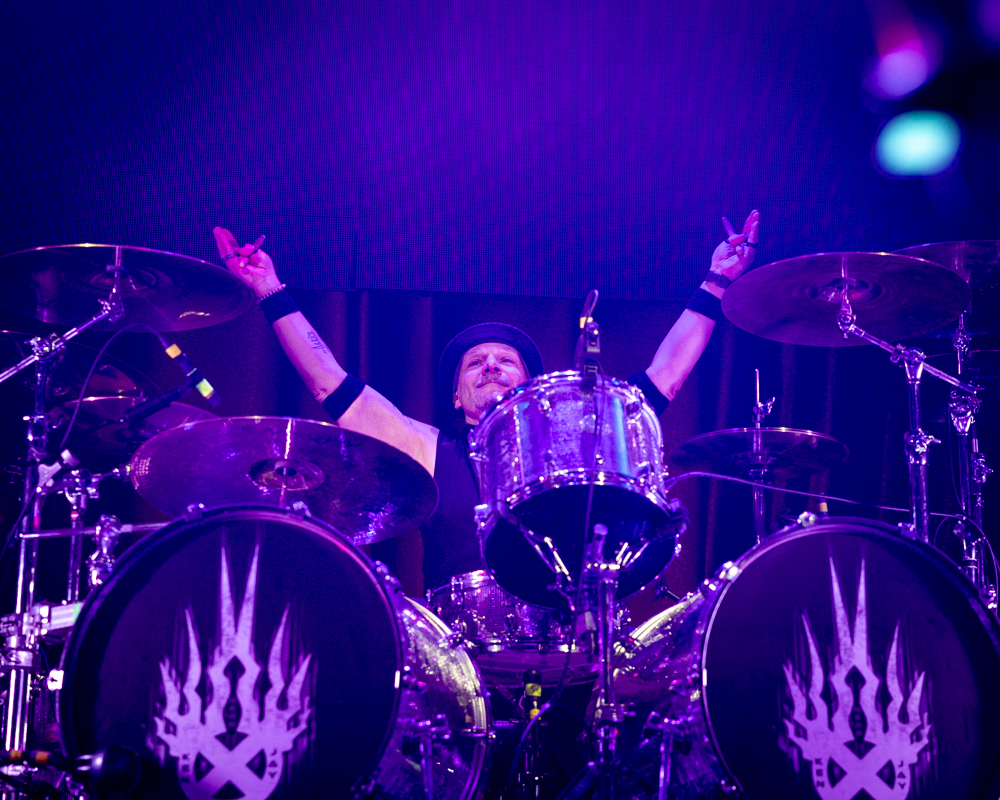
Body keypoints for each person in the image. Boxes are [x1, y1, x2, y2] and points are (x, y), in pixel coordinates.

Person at [212, 210, 759, 592]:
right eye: (475, 363)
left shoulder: (575, 443)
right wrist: (270, 291)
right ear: (456, 397)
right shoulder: (428, 450)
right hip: (462, 663)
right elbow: (328, 382)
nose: (491, 366)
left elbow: (667, 375)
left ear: (531, 385)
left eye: (505, 360)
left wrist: (716, 282)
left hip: (569, 646)